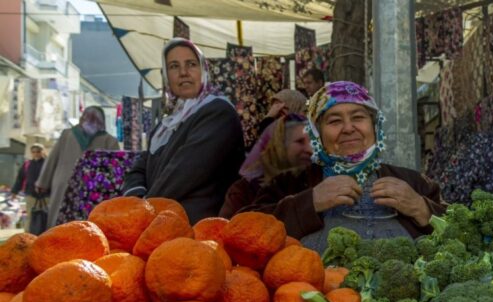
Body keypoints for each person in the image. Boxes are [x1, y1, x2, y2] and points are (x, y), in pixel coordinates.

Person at [239, 81, 446, 252]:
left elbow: (464, 234)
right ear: (317, 133)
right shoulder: (289, 183)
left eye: (358, 118)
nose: (348, 128)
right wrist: (309, 203)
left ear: (374, 126)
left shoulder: (413, 182)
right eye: (334, 121)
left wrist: (422, 209)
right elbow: (244, 232)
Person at [122, 38, 245, 224]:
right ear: (166, 77)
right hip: (162, 225)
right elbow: (138, 170)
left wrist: (143, 212)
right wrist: (137, 199)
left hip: (198, 231)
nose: (183, 73)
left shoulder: (217, 112)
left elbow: (182, 174)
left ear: (204, 70)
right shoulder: (166, 124)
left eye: (191, 64)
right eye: (173, 66)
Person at [36, 106, 119, 228]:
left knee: (59, 221)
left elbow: (52, 158)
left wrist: (42, 182)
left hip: (64, 183)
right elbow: (116, 168)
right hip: (93, 187)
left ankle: (56, 243)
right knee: (88, 225)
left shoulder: (67, 135)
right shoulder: (109, 140)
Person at [220, 113, 313, 218]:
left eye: (313, 142)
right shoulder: (244, 191)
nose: (310, 150)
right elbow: (226, 230)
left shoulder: (315, 180)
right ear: (278, 145)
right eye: (300, 141)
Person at [11, 144, 47, 232]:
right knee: (30, 216)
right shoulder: (27, 164)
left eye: (38, 151)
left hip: (46, 195)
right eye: (33, 152)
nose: (36, 154)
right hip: (31, 194)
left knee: (47, 215)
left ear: (42, 152)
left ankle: (46, 234)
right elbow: (20, 178)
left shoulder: (47, 163)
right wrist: (14, 192)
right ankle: (28, 234)